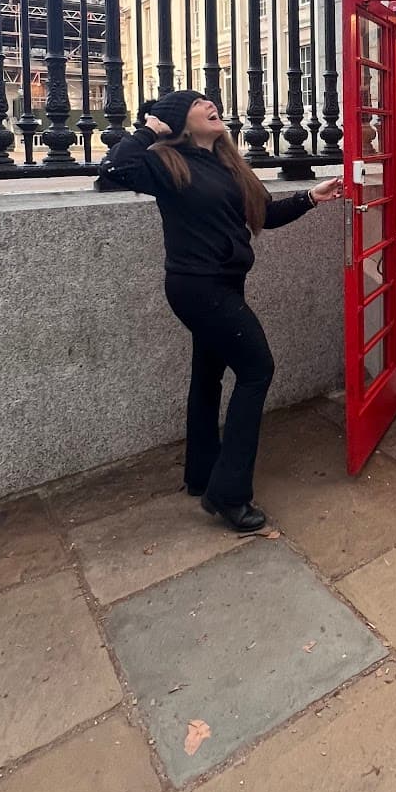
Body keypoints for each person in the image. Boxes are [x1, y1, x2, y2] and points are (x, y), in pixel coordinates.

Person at [97, 91, 341, 532]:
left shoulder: (229, 164)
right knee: (257, 369)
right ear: (180, 120)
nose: (211, 105)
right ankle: (228, 494)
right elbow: (112, 169)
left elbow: (264, 215)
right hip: (196, 286)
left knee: (208, 375)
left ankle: (202, 474)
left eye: (211, 101)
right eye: (198, 103)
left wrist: (310, 197)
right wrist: (152, 128)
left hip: (225, 282)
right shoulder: (166, 162)